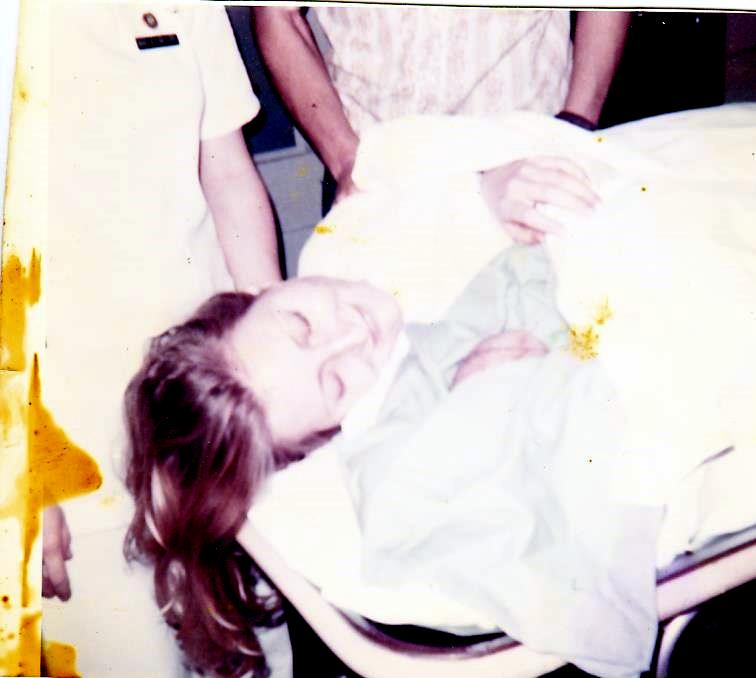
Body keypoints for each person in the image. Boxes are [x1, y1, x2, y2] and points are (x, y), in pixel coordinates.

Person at [122, 154, 598, 676]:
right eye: (337, 383)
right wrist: (481, 411)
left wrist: (486, 183)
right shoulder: (399, 425)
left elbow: (416, 166)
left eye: (302, 324)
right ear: (327, 433)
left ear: (261, 290)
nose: (351, 334)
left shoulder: (345, 245)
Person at [41, 3, 281, 676]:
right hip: (68, 439)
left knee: (258, 660)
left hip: (211, 413)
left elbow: (227, 174)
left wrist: (276, 363)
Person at [253, 7, 630, 207]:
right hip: (375, 167)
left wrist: (576, 124)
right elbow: (276, 14)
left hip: (526, 156)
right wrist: (347, 160)